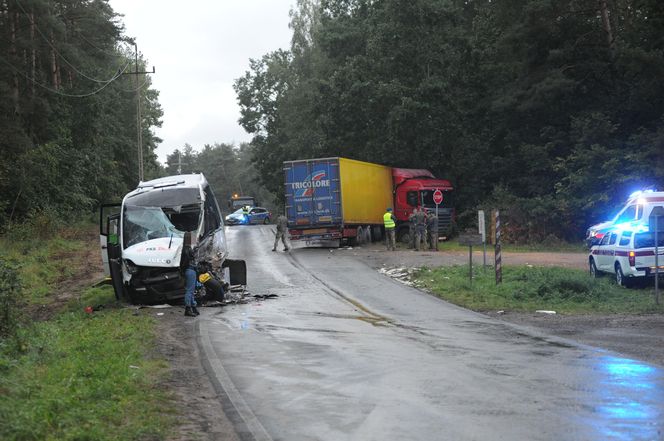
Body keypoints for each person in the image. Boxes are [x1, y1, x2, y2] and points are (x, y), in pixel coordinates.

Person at [181, 232, 199, 317]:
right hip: (190, 270)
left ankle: (193, 307)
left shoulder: (186, 248)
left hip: (190, 270)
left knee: (191, 291)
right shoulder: (187, 250)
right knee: (189, 291)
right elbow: (189, 260)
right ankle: (188, 309)